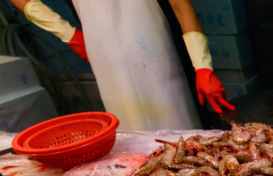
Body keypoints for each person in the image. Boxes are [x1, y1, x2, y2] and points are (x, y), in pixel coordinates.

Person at [10, 0, 234, 130]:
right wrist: (68, 34)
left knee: (182, 133)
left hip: (161, 52)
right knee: (130, 137)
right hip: (106, 58)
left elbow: (180, 5)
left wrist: (202, 65)